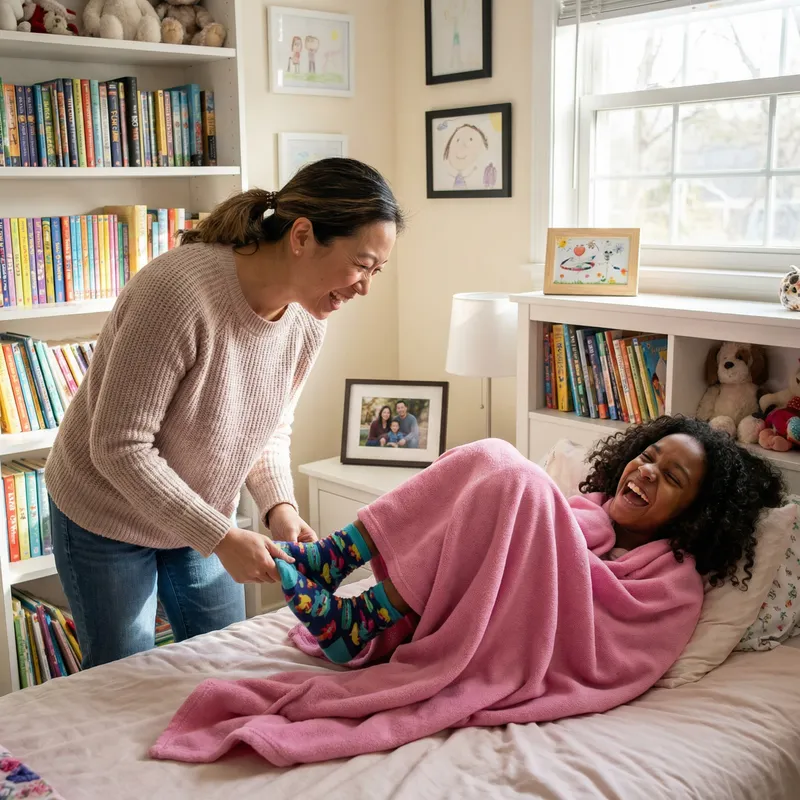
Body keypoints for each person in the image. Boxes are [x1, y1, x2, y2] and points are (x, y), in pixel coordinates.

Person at [44, 158, 404, 669]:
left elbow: (268, 425)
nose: (365, 287)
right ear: (302, 235)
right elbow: (119, 447)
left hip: (201, 515)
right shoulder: (177, 292)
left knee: (226, 662)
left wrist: (279, 506)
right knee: (121, 678)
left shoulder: (307, 318)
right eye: (362, 265)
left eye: (377, 272)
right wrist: (220, 536)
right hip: (107, 515)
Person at [270, 416, 784, 664]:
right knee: (498, 465)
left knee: (512, 472)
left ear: (695, 515)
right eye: (649, 456)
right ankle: (334, 563)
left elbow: (605, 648)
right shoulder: (582, 512)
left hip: (521, 636)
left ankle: (360, 613)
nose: (648, 472)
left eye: (671, 478)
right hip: (453, 606)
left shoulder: (674, 585)